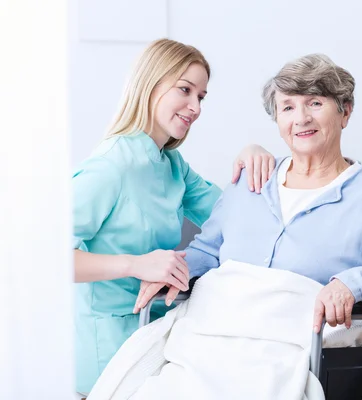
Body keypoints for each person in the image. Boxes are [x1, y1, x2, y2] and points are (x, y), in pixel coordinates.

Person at [134, 53, 362, 336]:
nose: (301, 118)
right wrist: (177, 270)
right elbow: (208, 251)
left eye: (315, 103)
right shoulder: (251, 180)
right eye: (288, 107)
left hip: (299, 348)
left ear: (345, 113)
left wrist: (356, 282)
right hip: (217, 331)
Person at [72, 38, 275, 395]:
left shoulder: (172, 166)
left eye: (201, 96)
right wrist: (134, 265)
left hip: (158, 336)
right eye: (185, 89)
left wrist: (252, 154)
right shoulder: (111, 167)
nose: (195, 106)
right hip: (108, 354)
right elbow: (43, 260)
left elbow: (234, 213)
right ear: (150, 85)